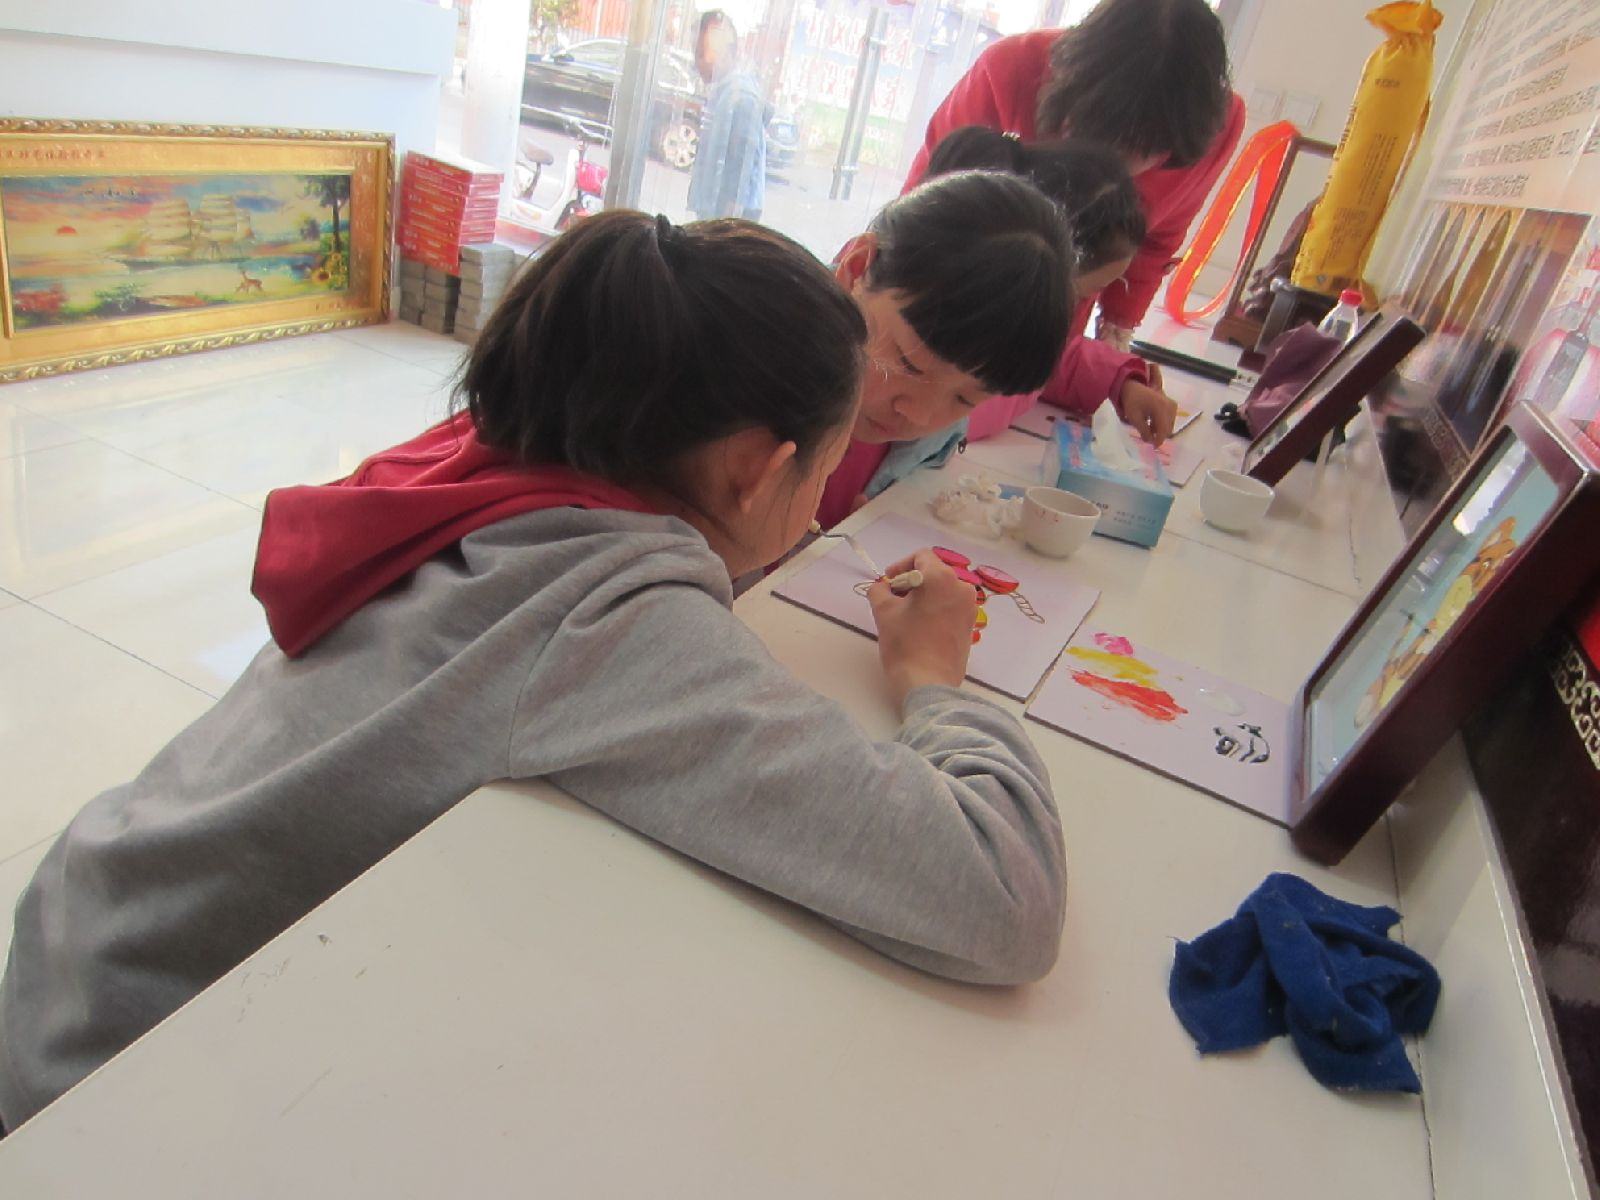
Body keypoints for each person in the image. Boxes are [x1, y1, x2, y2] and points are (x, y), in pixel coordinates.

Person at [0, 212, 1066, 1133]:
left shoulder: (488, 462)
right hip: (106, 1088)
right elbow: (1001, 895)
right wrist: (935, 677)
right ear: (758, 467)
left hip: (81, 938)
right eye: (827, 465)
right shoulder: (608, 626)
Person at [905, 0, 1246, 440]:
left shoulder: (1214, 121)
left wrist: (1116, 366)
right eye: (1107, 140)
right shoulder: (1008, 70)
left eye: (1148, 150)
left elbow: (1052, 356)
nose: (1122, 169)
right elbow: (915, 236)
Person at [814, 169, 1078, 531]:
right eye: (909, 365)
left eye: (964, 400)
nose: (919, 416)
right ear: (857, 269)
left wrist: (1119, 379)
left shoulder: (941, 414)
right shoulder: (746, 375)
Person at [920, 126, 1160, 442]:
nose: (1073, 311)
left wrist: (1121, 383)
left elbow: (1053, 361)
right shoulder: (935, 326)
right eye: (1078, 295)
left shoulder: (1014, 329)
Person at [687, 11, 766, 221]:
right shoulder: (724, 92)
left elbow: (742, 163)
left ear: (725, 54)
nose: (697, 63)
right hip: (718, 212)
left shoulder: (740, 96)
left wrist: (728, 221)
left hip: (729, 216)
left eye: (701, 54)